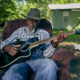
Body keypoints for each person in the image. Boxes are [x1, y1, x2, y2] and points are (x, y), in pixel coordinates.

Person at [0, 8, 66, 80]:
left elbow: (46, 54)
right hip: (19, 62)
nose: (31, 23)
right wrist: (5, 47)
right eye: (30, 20)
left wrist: (54, 44)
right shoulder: (19, 31)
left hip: (37, 61)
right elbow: (4, 43)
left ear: (38, 22)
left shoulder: (44, 34)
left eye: (34, 21)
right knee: (12, 74)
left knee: (50, 64)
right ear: (27, 20)